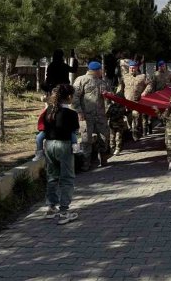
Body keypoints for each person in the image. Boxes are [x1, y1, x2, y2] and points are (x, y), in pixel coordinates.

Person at [42, 84, 80, 225]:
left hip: (49, 145)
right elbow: (73, 133)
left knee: (52, 176)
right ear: (69, 97)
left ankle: (51, 208)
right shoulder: (71, 113)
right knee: (67, 178)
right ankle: (64, 211)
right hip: (64, 146)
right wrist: (76, 149)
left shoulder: (49, 110)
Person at [72, 61, 111, 171]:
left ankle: (104, 160)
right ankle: (86, 164)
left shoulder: (103, 82)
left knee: (104, 137)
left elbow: (108, 99)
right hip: (86, 116)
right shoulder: (81, 80)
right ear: (96, 70)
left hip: (100, 116)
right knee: (86, 140)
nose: (102, 72)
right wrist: (79, 112)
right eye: (100, 70)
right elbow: (75, 98)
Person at [121, 60, 148, 141]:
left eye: (134, 68)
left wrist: (145, 92)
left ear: (137, 68)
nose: (132, 70)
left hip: (137, 102)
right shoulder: (125, 77)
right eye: (131, 68)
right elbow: (121, 88)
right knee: (129, 119)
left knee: (135, 116)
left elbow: (149, 84)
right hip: (127, 102)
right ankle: (132, 133)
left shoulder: (142, 76)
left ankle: (135, 135)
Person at [106, 91, 129, 156]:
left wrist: (127, 110)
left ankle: (117, 149)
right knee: (113, 137)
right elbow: (107, 115)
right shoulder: (113, 106)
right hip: (113, 125)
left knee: (117, 137)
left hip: (118, 125)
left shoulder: (122, 107)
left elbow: (126, 114)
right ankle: (113, 149)